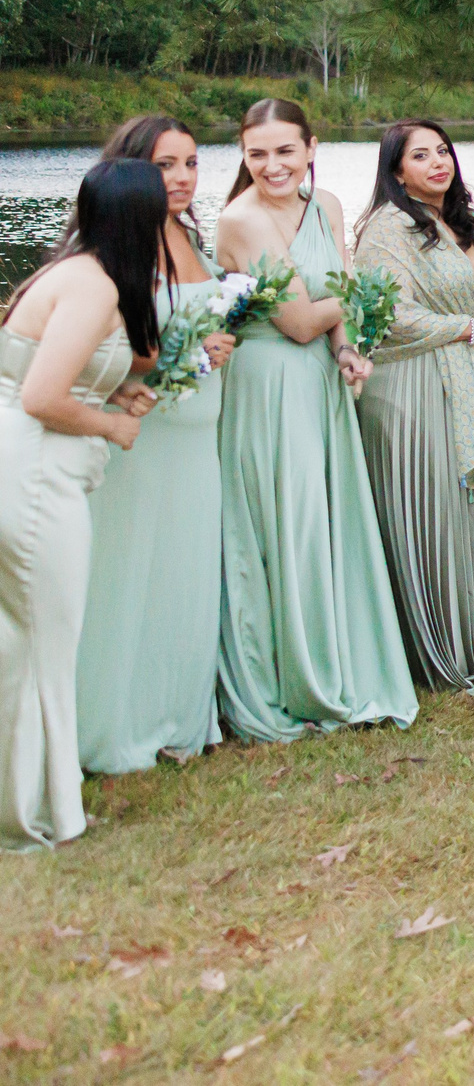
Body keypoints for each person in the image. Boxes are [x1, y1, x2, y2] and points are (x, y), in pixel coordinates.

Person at [214, 100, 418, 742]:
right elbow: (299, 321)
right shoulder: (241, 221)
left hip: (320, 383)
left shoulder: (326, 205)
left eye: (284, 151)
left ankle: (340, 657)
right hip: (269, 384)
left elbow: (331, 310)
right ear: (244, 156)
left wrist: (349, 350)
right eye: (257, 153)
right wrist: (356, 304)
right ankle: (290, 676)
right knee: (288, 523)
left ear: (310, 148)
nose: (272, 165)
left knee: (326, 519)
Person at [1, 159, 162, 848]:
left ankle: (33, 799)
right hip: (36, 475)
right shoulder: (93, 287)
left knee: (21, 639)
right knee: (45, 643)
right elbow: (41, 397)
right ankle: (40, 813)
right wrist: (113, 424)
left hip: (24, 462)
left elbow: (28, 366)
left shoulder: (64, 269)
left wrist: (111, 392)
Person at [77, 117, 236, 772]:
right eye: (167, 165)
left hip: (200, 435)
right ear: (135, 171)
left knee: (186, 569)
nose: (182, 178)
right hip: (144, 435)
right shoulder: (119, 244)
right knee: (131, 571)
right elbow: (97, 351)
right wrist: (178, 357)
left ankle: (180, 715)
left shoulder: (192, 234)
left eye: (192, 164)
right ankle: (116, 720)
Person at [352, 119, 474, 689]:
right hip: (416, 387)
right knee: (437, 512)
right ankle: (433, 646)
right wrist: (471, 326)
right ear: (396, 170)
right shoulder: (387, 228)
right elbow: (389, 319)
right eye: (419, 155)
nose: (436, 162)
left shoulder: (463, 221)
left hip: (471, 385)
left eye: (442, 150)